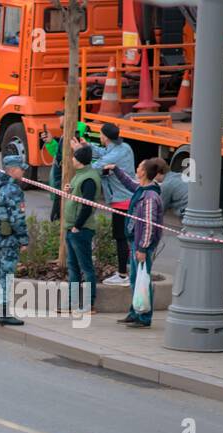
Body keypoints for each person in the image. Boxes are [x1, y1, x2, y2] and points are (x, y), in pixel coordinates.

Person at [105, 157, 166, 328]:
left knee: (142, 280)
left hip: (142, 245)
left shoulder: (150, 197)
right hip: (137, 242)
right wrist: (116, 169)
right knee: (136, 279)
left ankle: (144, 316)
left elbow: (148, 225)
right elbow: (128, 183)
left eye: (139, 166)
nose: (136, 169)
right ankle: (135, 312)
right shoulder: (142, 189)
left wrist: (142, 248)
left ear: (144, 172)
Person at [85, 123, 136, 286]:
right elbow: (103, 152)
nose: (99, 136)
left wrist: (81, 154)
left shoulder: (113, 156)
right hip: (129, 199)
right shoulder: (125, 147)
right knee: (127, 239)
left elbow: (94, 167)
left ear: (105, 137)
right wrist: (86, 145)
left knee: (120, 238)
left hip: (122, 202)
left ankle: (122, 275)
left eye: (100, 134)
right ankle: (127, 271)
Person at [0, 155, 30, 326]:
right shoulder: (13, 190)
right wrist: (24, 239)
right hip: (8, 238)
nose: (23, 171)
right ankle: (4, 312)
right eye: (21, 168)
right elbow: (17, 218)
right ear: (12, 170)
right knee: (6, 274)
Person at [63, 144, 101, 320]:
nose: (72, 159)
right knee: (73, 267)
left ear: (79, 160)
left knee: (85, 267)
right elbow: (78, 199)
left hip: (81, 229)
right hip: (72, 228)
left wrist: (77, 225)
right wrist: (69, 193)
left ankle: (88, 304)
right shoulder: (81, 176)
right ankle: (72, 303)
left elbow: (87, 205)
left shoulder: (89, 179)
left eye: (74, 156)